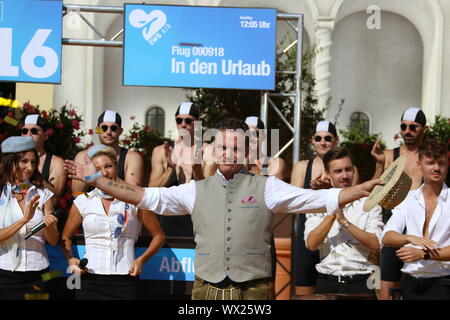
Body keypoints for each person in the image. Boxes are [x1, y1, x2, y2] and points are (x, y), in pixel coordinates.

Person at [64, 117, 383, 300]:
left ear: (247, 151)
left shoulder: (268, 186)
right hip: (206, 290)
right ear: (212, 150)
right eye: (223, 147)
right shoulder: (193, 190)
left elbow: (319, 199)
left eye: (236, 147)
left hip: (254, 292)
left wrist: (361, 188)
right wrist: (97, 180)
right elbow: (144, 196)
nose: (229, 153)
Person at [61, 146, 165, 300]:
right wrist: (70, 259)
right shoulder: (83, 201)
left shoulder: (135, 199)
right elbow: (65, 237)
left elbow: (159, 236)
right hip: (89, 280)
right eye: (97, 169)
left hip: (125, 280)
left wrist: (141, 260)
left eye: (108, 166)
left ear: (117, 167)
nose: (104, 173)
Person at [305, 148, 383, 297]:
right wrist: (332, 211)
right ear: (327, 174)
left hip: (363, 281)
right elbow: (311, 244)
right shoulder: (317, 202)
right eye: (338, 171)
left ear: (354, 170)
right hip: (327, 280)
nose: (345, 176)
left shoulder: (369, 202)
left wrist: (344, 221)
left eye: (348, 169)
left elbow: (376, 245)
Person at [382, 139, 450, 300]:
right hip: (410, 284)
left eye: (441, 163)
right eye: (430, 162)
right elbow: (387, 236)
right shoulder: (408, 199)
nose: (436, 168)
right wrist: (408, 237)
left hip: (444, 284)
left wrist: (423, 254)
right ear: (419, 165)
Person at [371, 107, 427, 299]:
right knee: (387, 285)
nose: (407, 131)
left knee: (420, 283)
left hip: (421, 226)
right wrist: (379, 165)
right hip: (393, 225)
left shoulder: (429, 157)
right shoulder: (389, 155)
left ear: (424, 129)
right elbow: (373, 191)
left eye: (413, 127)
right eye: (403, 126)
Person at [0, 136, 58, 300]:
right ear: (10, 161)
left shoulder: (43, 194)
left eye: (33, 162)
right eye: (24, 161)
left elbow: (53, 241)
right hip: (5, 275)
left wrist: (49, 226)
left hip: (38, 275)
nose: (29, 167)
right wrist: (24, 220)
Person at [291, 121, 343, 296]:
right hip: (308, 236)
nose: (323, 142)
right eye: (318, 138)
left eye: (327, 138)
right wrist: (319, 194)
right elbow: (293, 204)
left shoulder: (347, 170)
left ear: (336, 140)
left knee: (333, 291)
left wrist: (327, 191)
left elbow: (353, 204)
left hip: (336, 237)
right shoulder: (301, 167)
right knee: (304, 292)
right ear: (313, 140)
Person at [148, 102, 215, 237]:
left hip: (198, 219)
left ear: (198, 122)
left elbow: (211, 193)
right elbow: (152, 188)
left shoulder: (208, 150)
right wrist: (170, 169)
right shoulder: (162, 151)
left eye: (188, 120)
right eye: (179, 120)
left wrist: (197, 171)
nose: (183, 124)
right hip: (169, 218)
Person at [72, 110, 143, 194]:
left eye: (113, 128)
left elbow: (134, 194)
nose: (108, 132)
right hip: (92, 206)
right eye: (104, 128)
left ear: (120, 131)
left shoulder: (131, 158)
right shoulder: (83, 156)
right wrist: (89, 172)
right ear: (98, 130)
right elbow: (76, 194)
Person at [21, 114, 66, 204]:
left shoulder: (56, 162)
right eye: (25, 131)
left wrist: (37, 178)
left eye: (34, 131)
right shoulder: (11, 158)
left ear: (45, 136)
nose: (29, 135)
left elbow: (55, 198)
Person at [244, 116, 287, 180]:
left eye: (256, 134)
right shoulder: (231, 162)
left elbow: (272, 187)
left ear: (263, 136)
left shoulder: (273, 163)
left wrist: (243, 169)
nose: (251, 138)